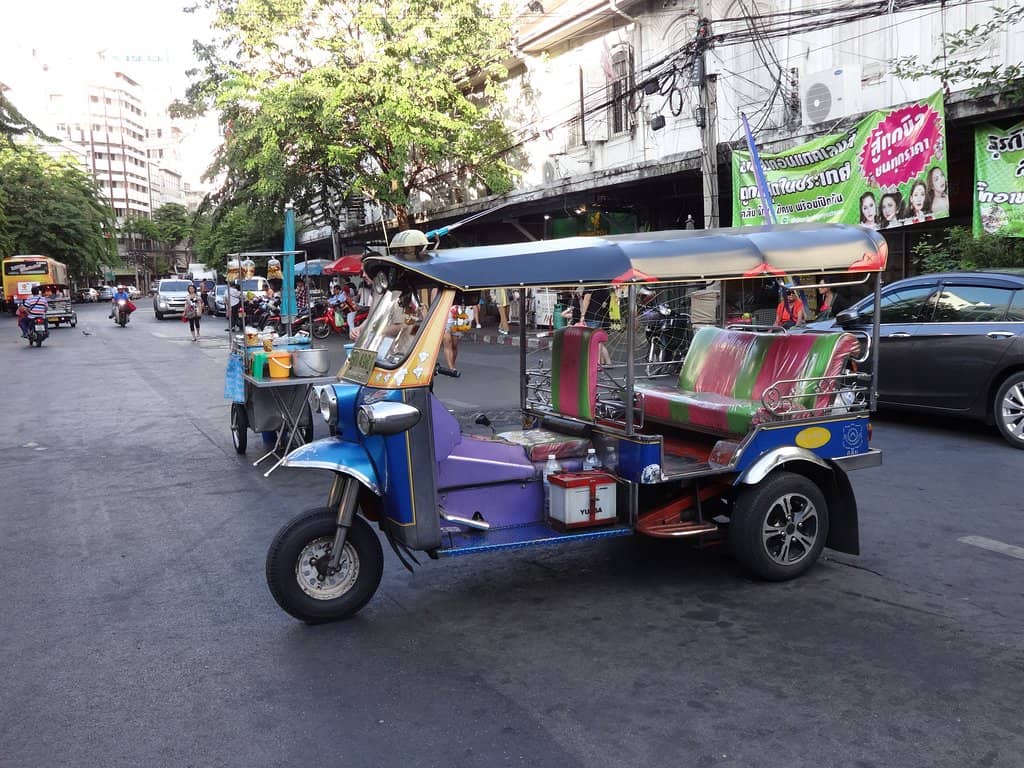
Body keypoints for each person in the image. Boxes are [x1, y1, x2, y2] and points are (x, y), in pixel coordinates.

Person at [578, 288, 612, 365]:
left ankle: (594, 363)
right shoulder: (603, 286)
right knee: (598, 341)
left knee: (590, 341)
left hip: (591, 317)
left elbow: (587, 299)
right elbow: (606, 302)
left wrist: (582, 315)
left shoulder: (590, 284)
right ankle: (599, 362)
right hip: (600, 317)